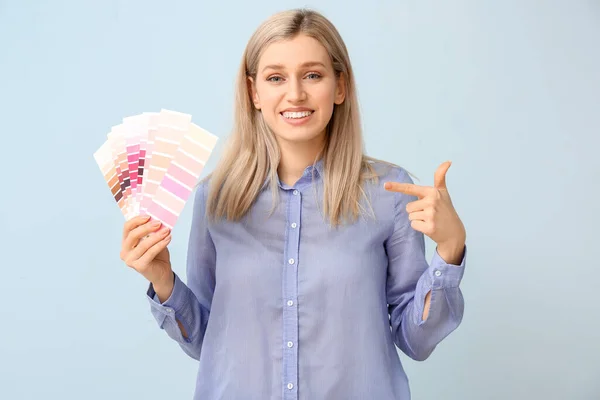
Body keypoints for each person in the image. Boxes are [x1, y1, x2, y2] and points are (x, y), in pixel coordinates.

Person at [120, 8, 467, 400]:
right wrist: (163, 282)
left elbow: (416, 340)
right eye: (275, 78)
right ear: (254, 92)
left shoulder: (389, 193)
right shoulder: (215, 198)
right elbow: (209, 344)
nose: (296, 93)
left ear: (340, 87)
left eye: (313, 75)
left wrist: (449, 251)